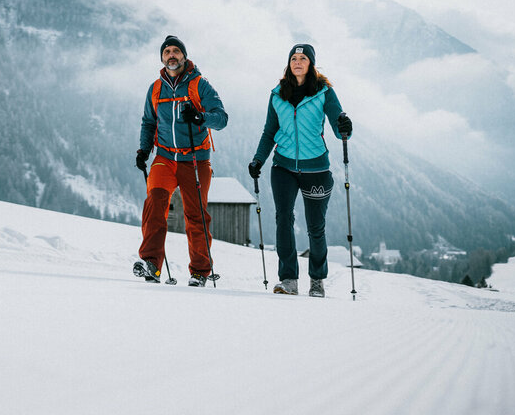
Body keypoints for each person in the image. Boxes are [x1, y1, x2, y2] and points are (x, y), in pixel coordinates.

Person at [248, 43, 352, 297]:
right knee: (283, 219)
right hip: (282, 166)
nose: (297, 62)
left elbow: (339, 128)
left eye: (303, 58)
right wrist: (258, 160)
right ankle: (288, 279)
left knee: (316, 227)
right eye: (294, 58)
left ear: (310, 64)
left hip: (316, 168)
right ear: (289, 63)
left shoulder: (324, 92)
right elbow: (269, 131)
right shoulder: (277, 94)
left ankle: (317, 280)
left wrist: (345, 126)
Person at [134, 35, 228, 287]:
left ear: (184, 56)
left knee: (195, 214)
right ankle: (151, 263)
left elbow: (221, 119)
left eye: (176, 51)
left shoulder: (200, 85)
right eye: (167, 52)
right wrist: (144, 150)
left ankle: (200, 271)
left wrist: (200, 117)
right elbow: (148, 122)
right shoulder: (155, 88)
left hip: (195, 159)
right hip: (164, 157)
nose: (171, 55)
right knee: (154, 204)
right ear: (162, 58)